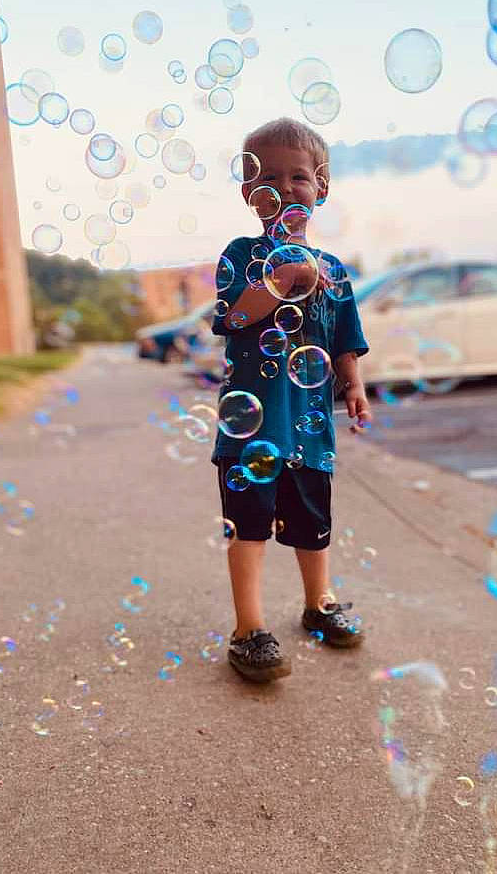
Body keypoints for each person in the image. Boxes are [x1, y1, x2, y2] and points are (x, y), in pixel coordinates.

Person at [212, 117, 372, 683]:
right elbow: (231, 317)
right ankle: (249, 630)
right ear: (247, 192)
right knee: (248, 527)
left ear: (321, 187)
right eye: (267, 177)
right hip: (249, 430)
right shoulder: (242, 254)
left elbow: (344, 340)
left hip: (308, 430)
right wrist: (280, 280)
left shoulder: (335, 270)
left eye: (298, 176)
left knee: (313, 524)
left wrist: (352, 385)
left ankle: (318, 604)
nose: (283, 188)